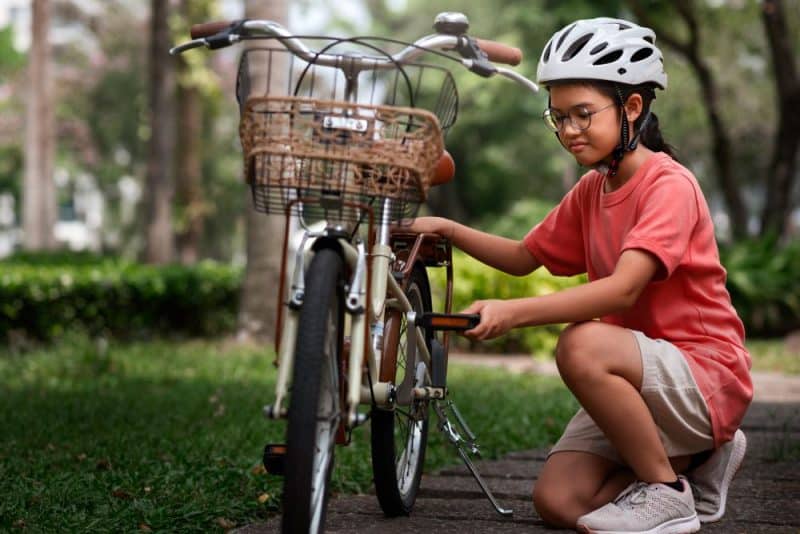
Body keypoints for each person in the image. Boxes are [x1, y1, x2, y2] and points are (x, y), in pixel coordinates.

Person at [405, 17, 752, 533]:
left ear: (632, 108)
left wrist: (513, 314)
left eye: (583, 114)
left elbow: (623, 289)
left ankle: (667, 490)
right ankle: (700, 462)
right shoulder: (593, 189)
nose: (569, 130)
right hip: (639, 382)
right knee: (560, 503)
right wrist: (448, 229)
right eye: (559, 116)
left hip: (702, 378)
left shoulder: (669, 185)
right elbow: (524, 256)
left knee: (581, 344)